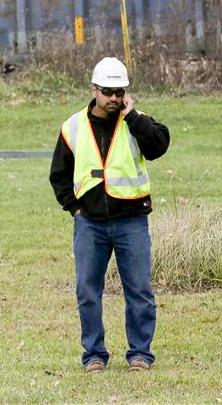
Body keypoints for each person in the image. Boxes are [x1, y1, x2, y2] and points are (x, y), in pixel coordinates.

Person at [49, 57, 170, 373]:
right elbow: (59, 175)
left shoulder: (135, 121)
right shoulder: (73, 126)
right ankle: (94, 355)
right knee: (88, 292)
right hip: (90, 224)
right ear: (94, 90)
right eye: (108, 92)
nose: (114, 98)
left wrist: (133, 116)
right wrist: (74, 209)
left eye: (120, 92)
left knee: (139, 291)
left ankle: (140, 353)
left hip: (132, 220)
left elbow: (159, 146)